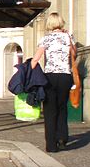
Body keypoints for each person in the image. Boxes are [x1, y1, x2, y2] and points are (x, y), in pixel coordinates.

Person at [31, 12, 76, 153]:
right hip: (65, 76)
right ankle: (62, 139)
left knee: (50, 111)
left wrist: (30, 72)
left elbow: (36, 59)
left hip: (50, 77)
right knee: (62, 108)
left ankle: (51, 145)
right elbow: (74, 54)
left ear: (49, 24)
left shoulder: (46, 39)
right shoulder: (69, 37)